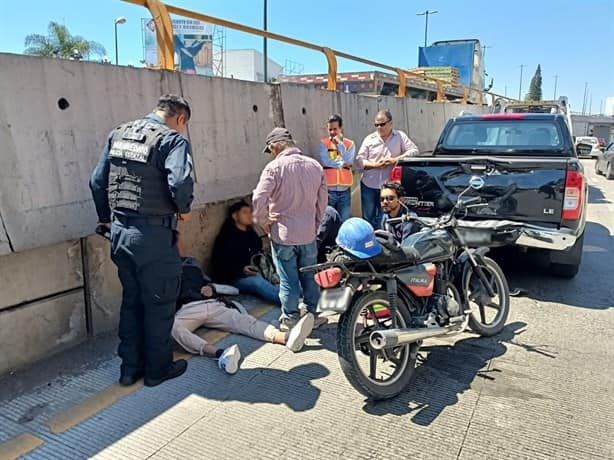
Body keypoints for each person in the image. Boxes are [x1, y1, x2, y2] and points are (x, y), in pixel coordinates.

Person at [89, 94, 194, 387]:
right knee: (159, 303)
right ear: (180, 118)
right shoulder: (172, 140)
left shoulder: (118, 133)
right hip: (154, 237)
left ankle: (129, 369)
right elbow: (180, 182)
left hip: (120, 233)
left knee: (132, 302)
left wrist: (104, 218)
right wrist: (183, 210)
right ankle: (157, 371)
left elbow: (97, 181)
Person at [173, 256, 314, 375]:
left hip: (211, 303)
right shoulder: (161, 273)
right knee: (172, 326)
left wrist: (210, 287)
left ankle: (286, 338)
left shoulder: (191, 263)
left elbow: (210, 281)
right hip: (186, 309)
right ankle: (221, 354)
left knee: (243, 321)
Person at [252, 127, 328, 331]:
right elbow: (322, 203)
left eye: (271, 150)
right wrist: (315, 224)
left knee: (288, 279)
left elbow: (258, 198)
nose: (272, 154)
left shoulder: (274, 168)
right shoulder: (315, 166)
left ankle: (291, 318)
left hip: (283, 234)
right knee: (309, 276)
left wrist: (264, 220)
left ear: (275, 146)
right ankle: (312, 314)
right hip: (308, 234)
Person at [356, 110, 419, 229]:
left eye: (382, 124)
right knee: (368, 217)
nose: (379, 128)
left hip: (389, 188)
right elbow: (359, 161)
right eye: (376, 125)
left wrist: (395, 160)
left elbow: (414, 151)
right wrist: (375, 165)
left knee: (385, 217)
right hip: (369, 185)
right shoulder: (370, 139)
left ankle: (384, 241)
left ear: (391, 123)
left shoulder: (400, 136)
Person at [212, 200, 280, 305]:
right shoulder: (226, 237)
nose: (249, 215)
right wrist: (242, 269)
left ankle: (302, 296)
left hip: (257, 270)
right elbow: (221, 265)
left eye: (250, 212)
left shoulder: (251, 234)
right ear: (235, 216)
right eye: (245, 212)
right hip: (235, 278)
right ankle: (288, 302)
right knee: (258, 283)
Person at [319, 114, 356, 221]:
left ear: (341, 128)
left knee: (343, 221)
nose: (332, 132)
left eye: (335, 129)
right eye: (330, 129)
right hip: (329, 191)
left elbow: (349, 161)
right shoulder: (324, 143)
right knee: (328, 222)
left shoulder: (349, 144)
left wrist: (340, 144)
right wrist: (342, 164)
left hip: (344, 190)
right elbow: (325, 161)